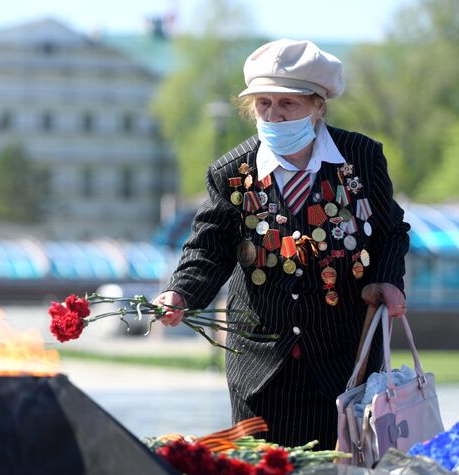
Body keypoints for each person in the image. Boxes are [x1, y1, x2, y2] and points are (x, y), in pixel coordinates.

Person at [153, 39, 410, 450]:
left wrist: (386, 281)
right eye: (263, 104)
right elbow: (210, 245)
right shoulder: (231, 171)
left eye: (287, 104)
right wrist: (181, 292)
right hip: (259, 363)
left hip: (342, 359)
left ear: (317, 105)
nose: (273, 116)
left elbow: (390, 232)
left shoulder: (360, 157)